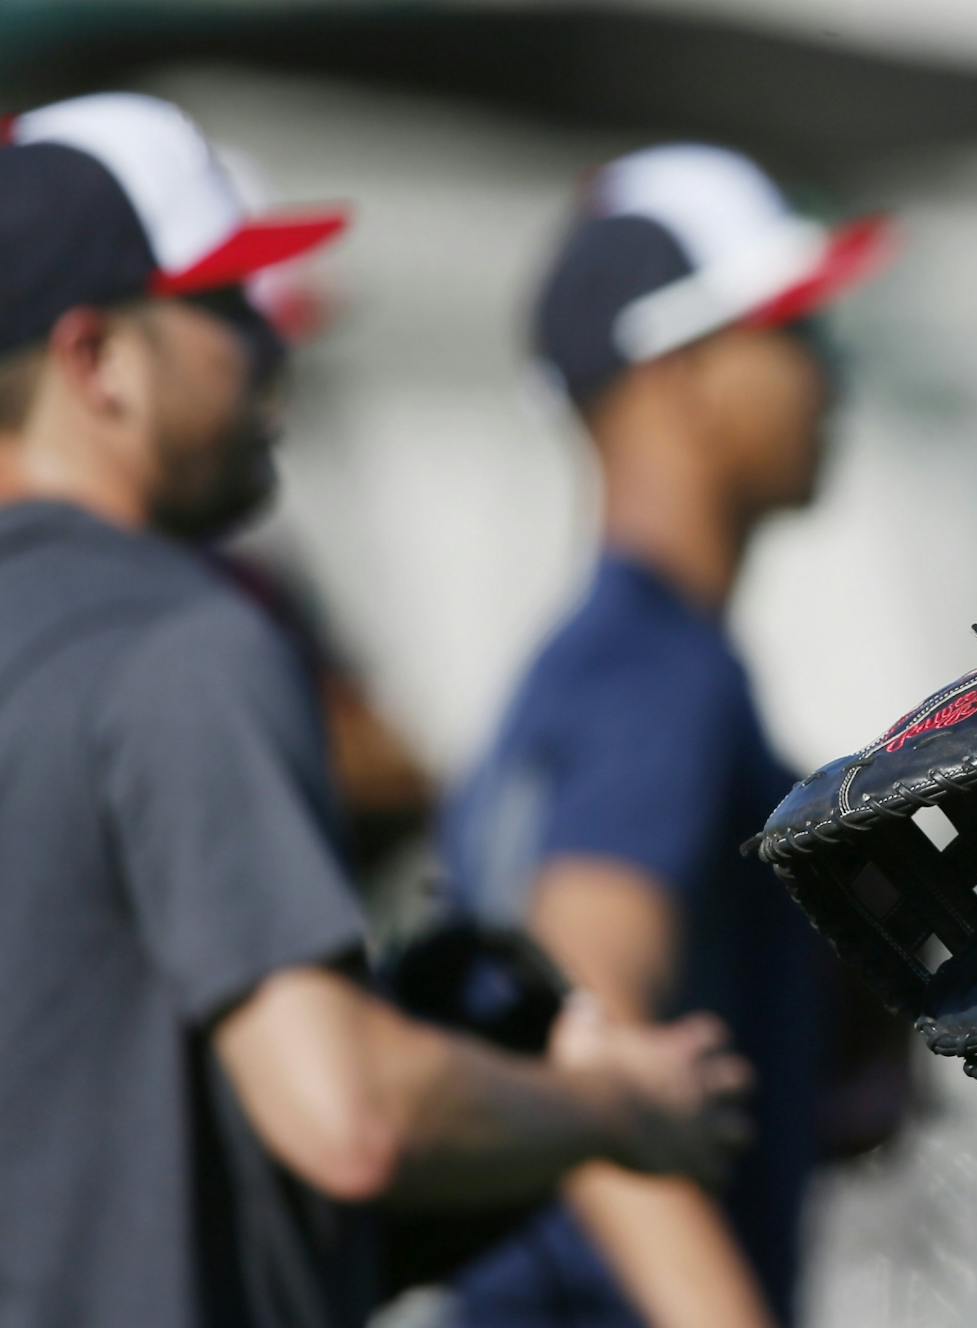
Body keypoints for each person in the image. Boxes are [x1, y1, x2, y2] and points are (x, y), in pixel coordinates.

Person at [0, 94, 751, 1328]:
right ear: (97, 361)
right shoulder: (181, 641)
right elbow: (342, 1112)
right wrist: (616, 1108)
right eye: (227, 303)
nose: (269, 346)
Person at [439, 145, 893, 1328]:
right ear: (680, 368)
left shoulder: (584, 665)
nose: (830, 374)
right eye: (793, 330)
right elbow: (588, 1025)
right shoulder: (658, 673)